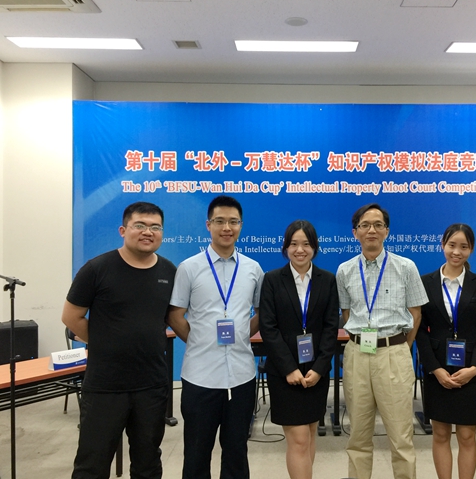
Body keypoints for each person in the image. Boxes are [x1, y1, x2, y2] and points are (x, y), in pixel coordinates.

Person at [61, 201, 176, 479]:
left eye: (155, 227)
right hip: (105, 386)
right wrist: (106, 342)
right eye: (140, 225)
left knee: (148, 463)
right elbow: (71, 317)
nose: (148, 232)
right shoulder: (97, 268)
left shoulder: (169, 271)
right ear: (123, 230)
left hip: (151, 385)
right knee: (92, 464)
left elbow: (172, 317)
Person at [167, 195, 264, 479]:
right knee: (197, 453)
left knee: (236, 453)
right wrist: (199, 340)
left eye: (233, 222)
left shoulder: (253, 269)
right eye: (220, 221)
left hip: (241, 377)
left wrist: (242, 335)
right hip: (200, 377)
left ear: (241, 225)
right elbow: (175, 315)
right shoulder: (189, 267)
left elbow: (262, 313)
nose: (227, 228)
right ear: (208, 225)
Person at [336, 203, 428, 479]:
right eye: (365, 225)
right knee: (358, 436)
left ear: (387, 231)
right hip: (357, 355)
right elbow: (347, 314)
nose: (371, 230)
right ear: (355, 232)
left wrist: (401, 347)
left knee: (401, 437)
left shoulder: (406, 267)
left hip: (393, 354)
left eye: (378, 225)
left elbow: (416, 313)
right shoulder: (345, 271)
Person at [259, 220, 339, 479]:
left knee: (311, 432)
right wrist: (289, 369)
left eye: (306, 244)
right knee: (299, 439)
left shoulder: (327, 280)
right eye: (293, 244)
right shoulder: (272, 280)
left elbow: (331, 328)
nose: (300, 250)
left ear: (314, 247)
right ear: (286, 247)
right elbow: (268, 328)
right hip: (285, 373)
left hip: (316, 372)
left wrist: (320, 368)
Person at [415, 224, 476, 479]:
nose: (456, 252)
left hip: (469, 369)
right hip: (437, 369)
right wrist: (434, 369)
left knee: (467, 435)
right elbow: (420, 330)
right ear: (442, 245)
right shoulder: (425, 283)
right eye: (452, 245)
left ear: (471, 249)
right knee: (440, 433)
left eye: (463, 247)